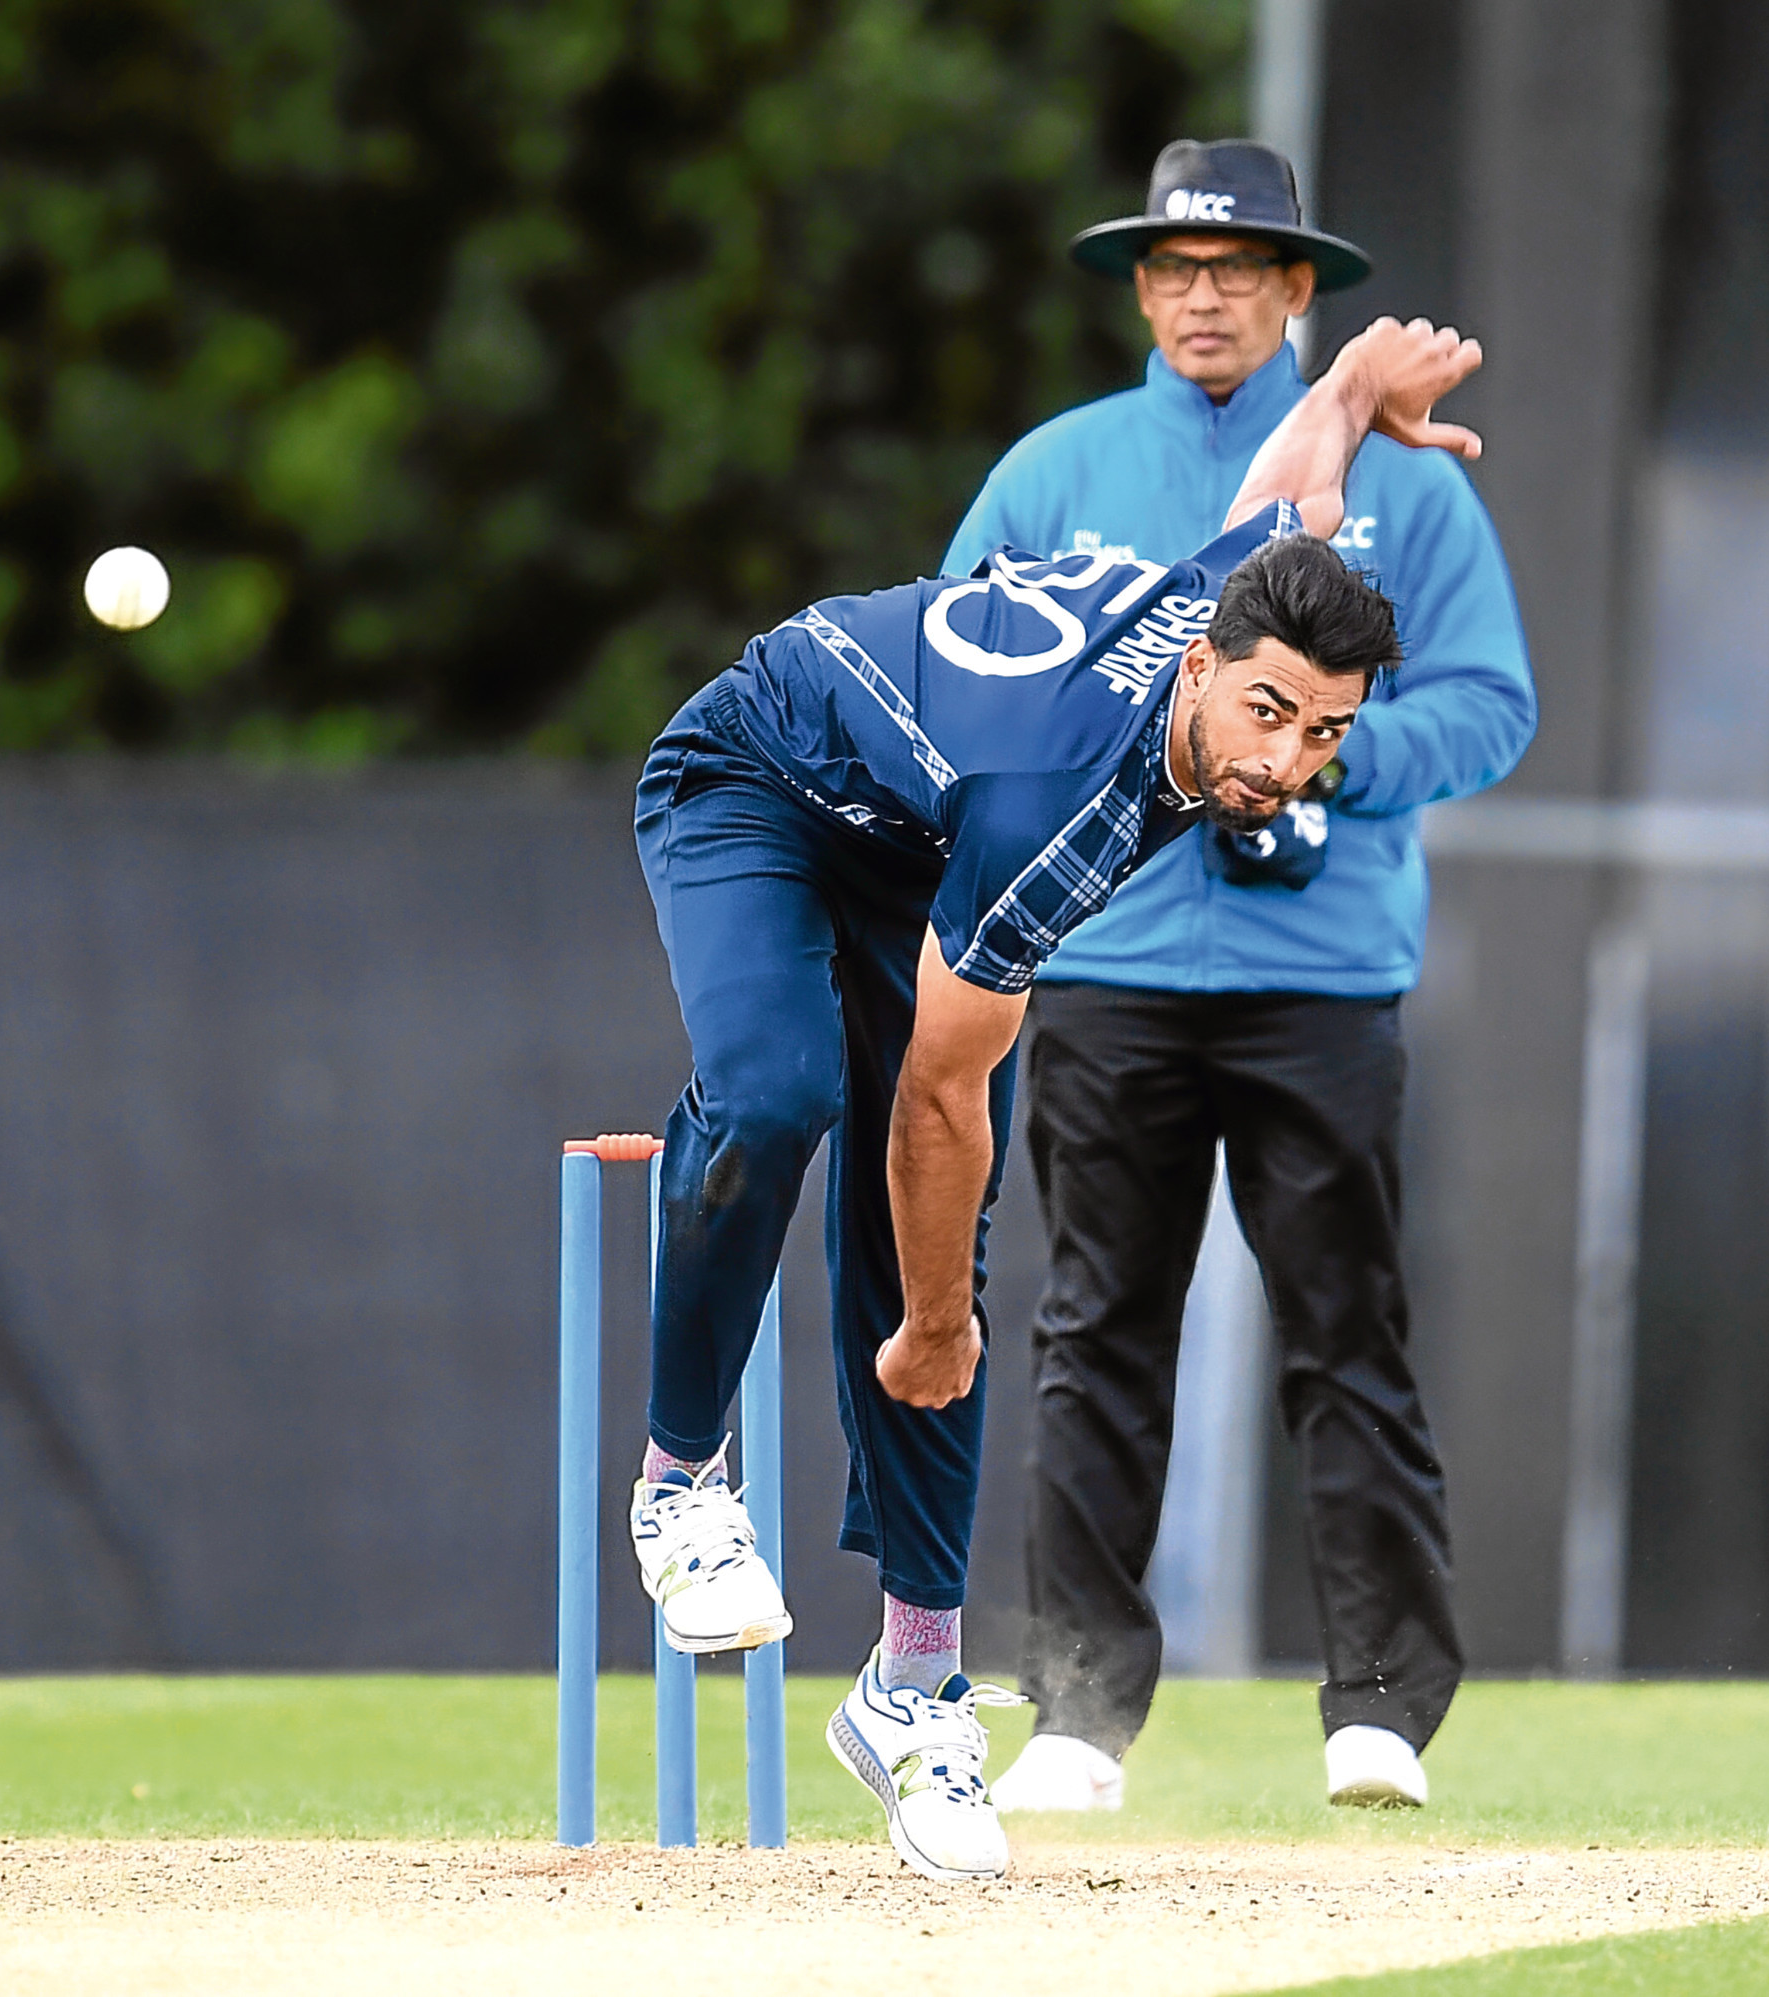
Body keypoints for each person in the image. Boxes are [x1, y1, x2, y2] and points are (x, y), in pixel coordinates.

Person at [623, 311, 1485, 1882]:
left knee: (932, 1248)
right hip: (757, 775)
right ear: (1207, 669)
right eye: (1270, 715)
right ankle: (682, 1481)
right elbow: (938, 1097)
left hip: (911, 842)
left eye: (1327, 733)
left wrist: (1354, 387)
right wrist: (937, 1319)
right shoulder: (1067, 803)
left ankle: (914, 1685)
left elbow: (1290, 500)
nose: (1287, 764)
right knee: (792, 1101)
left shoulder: (1219, 602)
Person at [948, 142, 1535, 1818]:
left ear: (1298, 294)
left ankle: (1379, 1711)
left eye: (1241, 266)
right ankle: (1076, 1711)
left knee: (1348, 1331)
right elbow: (973, 674)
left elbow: (1493, 703)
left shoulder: (1410, 485)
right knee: (1095, 1332)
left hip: (1321, 975)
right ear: (1142, 290)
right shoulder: (1057, 472)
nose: (1205, 292)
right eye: (1176, 265)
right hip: (1112, 966)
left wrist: (1319, 765)